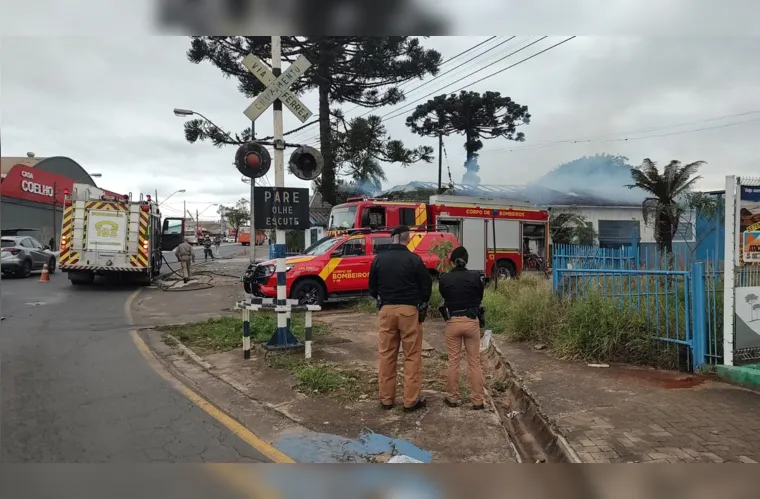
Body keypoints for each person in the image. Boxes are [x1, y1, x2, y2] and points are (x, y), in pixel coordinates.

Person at [368, 225, 433, 413]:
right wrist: (420, 301)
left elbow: (372, 288)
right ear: (408, 239)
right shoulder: (414, 259)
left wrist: (383, 298)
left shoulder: (379, 259)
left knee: (386, 355)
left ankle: (386, 399)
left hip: (386, 311)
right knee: (412, 356)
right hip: (409, 312)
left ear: (392, 238)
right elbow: (426, 287)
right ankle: (410, 401)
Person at [437, 246, 486, 410]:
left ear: (451, 261)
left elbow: (444, 296)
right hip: (471, 321)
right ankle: (478, 400)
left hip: (452, 322)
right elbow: (479, 297)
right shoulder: (476, 277)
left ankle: (452, 398)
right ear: (467, 260)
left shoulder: (444, 278)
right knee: (475, 363)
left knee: (453, 362)